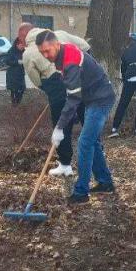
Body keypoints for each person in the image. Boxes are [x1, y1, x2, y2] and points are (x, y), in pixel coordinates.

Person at [36, 30, 116, 203]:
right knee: (92, 141)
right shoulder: (62, 54)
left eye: (47, 51)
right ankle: (105, 182)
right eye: (42, 52)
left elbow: (73, 98)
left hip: (100, 99)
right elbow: (71, 85)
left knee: (85, 142)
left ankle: (81, 192)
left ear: (57, 44)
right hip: (92, 98)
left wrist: (59, 127)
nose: (45, 55)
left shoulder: (70, 59)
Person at [23, 27, 89, 177]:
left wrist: (48, 89)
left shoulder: (28, 53)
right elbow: (85, 46)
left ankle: (66, 165)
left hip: (54, 82)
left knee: (61, 124)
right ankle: (97, 154)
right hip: (76, 76)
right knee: (86, 117)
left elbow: (34, 77)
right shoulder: (60, 34)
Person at [5, 23, 31, 105]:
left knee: (22, 89)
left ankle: (18, 103)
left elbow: (28, 60)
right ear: (17, 44)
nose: (22, 46)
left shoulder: (24, 52)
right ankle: (14, 104)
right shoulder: (11, 51)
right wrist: (17, 62)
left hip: (20, 74)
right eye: (21, 45)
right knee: (14, 90)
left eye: (23, 45)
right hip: (12, 74)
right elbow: (7, 61)